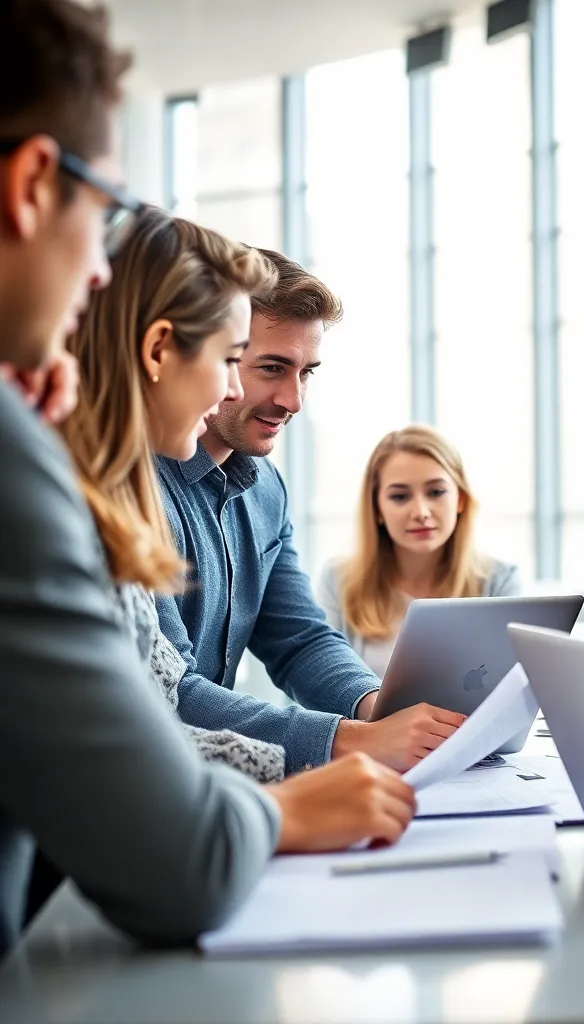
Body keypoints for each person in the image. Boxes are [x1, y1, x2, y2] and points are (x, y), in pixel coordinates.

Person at [0, 0, 413, 955]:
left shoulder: (238, 488)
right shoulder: (40, 473)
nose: (95, 276)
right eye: (99, 207)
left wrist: (364, 710)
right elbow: (176, 853)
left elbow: (295, 636)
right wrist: (306, 791)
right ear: (31, 185)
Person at [155, 252, 464, 775]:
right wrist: (351, 741)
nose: (293, 399)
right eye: (272, 368)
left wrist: (379, 709)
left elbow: (299, 639)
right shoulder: (138, 491)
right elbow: (170, 690)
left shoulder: (266, 488)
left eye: (306, 373)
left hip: (207, 779)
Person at [63, 205, 294, 782]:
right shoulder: (67, 506)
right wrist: (298, 789)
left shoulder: (109, 493)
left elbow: (153, 722)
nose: (234, 389)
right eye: (229, 359)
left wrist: (315, 764)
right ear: (159, 350)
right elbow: (113, 760)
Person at [317, 425, 521, 676]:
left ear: (460, 499)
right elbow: (320, 682)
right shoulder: (338, 581)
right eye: (400, 497)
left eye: (436, 492)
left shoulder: (500, 582)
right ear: (377, 509)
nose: (421, 512)